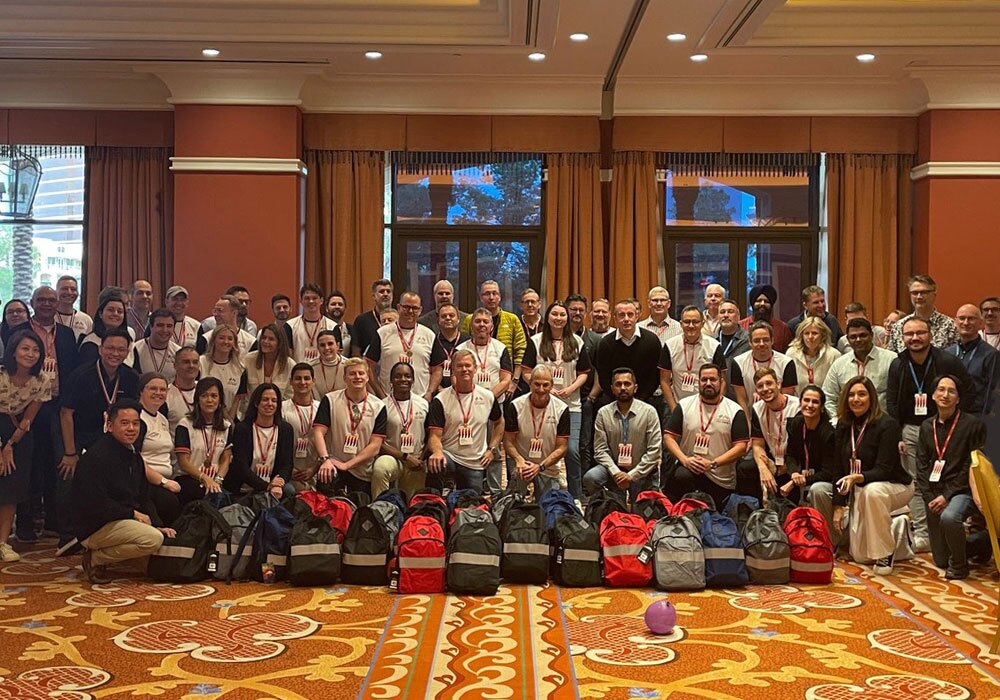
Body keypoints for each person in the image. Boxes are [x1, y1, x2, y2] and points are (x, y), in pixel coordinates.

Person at [810, 376, 914, 575]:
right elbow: (838, 470)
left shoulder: (887, 425)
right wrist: (838, 505)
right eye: (851, 395)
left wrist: (857, 478)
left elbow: (884, 469)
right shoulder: (843, 424)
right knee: (860, 556)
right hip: (859, 487)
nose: (856, 399)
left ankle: (885, 553)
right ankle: (897, 528)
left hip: (894, 486)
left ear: (872, 397)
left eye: (862, 394)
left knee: (872, 491)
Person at [887, 316, 971, 552]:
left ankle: (950, 531)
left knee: (947, 479)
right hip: (912, 431)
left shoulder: (947, 361)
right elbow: (892, 403)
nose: (915, 338)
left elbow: (967, 393)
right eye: (909, 334)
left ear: (930, 335)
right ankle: (924, 534)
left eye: (920, 333)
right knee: (917, 482)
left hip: (946, 429)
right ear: (902, 338)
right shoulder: (898, 364)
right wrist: (898, 436)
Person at [72, 399, 176, 584]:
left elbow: (144, 496)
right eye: (125, 423)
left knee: (158, 564)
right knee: (152, 540)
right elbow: (95, 504)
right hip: (95, 526)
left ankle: (108, 557)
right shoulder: (96, 457)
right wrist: (133, 514)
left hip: (123, 521)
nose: (131, 428)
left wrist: (158, 523)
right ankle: (95, 559)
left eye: (135, 423)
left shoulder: (132, 454)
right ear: (110, 426)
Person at [59, 329, 141, 548]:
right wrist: (70, 452)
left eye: (121, 349)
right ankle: (70, 535)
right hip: (81, 436)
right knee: (72, 480)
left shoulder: (131, 377)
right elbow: (66, 413)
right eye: (110, 348)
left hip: (114, 438)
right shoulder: (81, 374)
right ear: (100, 349)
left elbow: (133, 414)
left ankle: (108, 530)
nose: (115, 353)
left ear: (128, 351)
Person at [15, 286, 78, 543]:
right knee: (28, 463)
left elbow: (72, 370)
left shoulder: (66, 334)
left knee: (56, 462)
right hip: (27, 406)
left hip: (57, 406)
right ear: (32, 303)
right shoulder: (21, 333)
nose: (47, 304)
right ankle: (26, 522)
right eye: (41, 300)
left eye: (51, 300)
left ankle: (54, 519)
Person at [915, 374, 985, 579]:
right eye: (941, 390)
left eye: (951, 391)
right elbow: (921, 465)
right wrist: (930, 497)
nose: (945, 395)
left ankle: (960, 567)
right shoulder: (927, 426)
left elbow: (971, 466)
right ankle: (983, 542)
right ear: (933, 395)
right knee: (941, 560)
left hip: (962, 491)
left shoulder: (972, 424)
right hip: (935, 493)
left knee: (950, 516)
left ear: (958, 398)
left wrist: (946, 496)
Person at [520, 301, 591, 498]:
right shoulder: (535, 341)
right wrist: (544, 389)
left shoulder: (577, 342)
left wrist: (570, 389)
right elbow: (526, 372)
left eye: (562, 315)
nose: (558, 318)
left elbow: (584, 373)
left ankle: (576, 497)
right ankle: (528, 494)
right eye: (554, 314)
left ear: (567, 318)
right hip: (542, 404)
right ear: (548, 317)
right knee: (537, 448)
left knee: (572, 451)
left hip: (570, 405)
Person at [662, 363, 751, 505]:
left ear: (721, 382)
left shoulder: (735, 410)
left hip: (720, 476)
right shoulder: (684, 405)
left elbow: (741, 447)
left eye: (713, 379)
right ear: (698, 382)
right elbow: (668, 437)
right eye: (704, 380)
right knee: (680, 477)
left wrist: (713, 464)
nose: (708, 383)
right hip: (689, 469)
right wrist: (685, 460)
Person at [0, 331, 51, 561]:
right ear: (13, 351)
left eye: (36, 350)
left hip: (19, 434)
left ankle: (2, 543)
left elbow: (28, 418)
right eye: (25, 348)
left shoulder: (41, 380)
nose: (30, 354)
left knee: (12, 488)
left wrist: (10, 445)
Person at [425, 350, 503, 496]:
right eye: (459, 366)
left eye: (468, 365)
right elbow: (434, 436)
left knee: (471, 503)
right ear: (452, 370)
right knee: (436, 462)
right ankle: (434, 503)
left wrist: (492, 449)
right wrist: (437, 452)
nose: (464, 369)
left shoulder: (488, 397)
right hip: (449, 456)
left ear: (475, 368)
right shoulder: (440, 400)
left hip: (475, 462)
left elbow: (499, 422)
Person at [312, 358, 388, 498]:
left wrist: (348, 465)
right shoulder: (330, 400)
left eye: (361, 373)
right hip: (333, 466)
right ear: (344, 378)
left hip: (362, 471)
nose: (357, 377)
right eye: (352, 374)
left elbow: (375, 445)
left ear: (367, 377)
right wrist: (325, 459)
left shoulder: (379, 406)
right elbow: (318, 432)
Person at [585, 367, 662, 501]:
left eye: (627, 384)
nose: (623, 388)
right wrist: (616, 472)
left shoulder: (649, 412)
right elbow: (600, 450)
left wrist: (632, 475)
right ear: (612, 388)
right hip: (614, 470)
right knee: (591, 477)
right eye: (618, 384)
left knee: (641, 513)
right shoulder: (603, 413)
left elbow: (655, 451)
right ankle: (608, 503)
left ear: (635, 387)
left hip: (641, 470)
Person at [504, 365, 570, 495]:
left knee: (549, 507)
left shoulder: (561, 409)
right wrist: (519, 460)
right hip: (522, 466)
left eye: (545, 385)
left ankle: (557, 482)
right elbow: (508, 441)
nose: (541, 389)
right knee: (512, 506)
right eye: (537, 384)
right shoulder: (516, 406)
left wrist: (540, 467)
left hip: (547, 466)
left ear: (551, 386)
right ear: (530, 383)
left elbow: (562, 448)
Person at [590, 299, 662, 413]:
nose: (626, 319)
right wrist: (619, 399)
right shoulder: (605, 343)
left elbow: (655, 375)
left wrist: (640, 399)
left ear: (637, 316)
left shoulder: (652, 341)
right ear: (615, 318)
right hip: (613, 402)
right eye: (621, 315)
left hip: (646, 402)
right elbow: (603, 376)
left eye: (630, 314)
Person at [371, 362, 429, 498]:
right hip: (393, 458)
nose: (403, 379)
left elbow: (430, 436)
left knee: (412, 502)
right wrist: (405, 457)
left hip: (417, 459)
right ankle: (379, 508)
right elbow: (378, 443)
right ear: (391, 381)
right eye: (398, 376)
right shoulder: (382, 406)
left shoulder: (423, 404)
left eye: (407, 376)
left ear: (413, 380)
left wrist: (421, 457)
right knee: (380, 468)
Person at [225, 383, 294, 498]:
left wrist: (278, 483)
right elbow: (240, 466)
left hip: (273, 482)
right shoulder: (242, 428)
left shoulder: (286, 429)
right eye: (265, 400)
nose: (270, 404)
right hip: (245, 484)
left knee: (289, 490)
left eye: (274, 400)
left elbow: (287, 464)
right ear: (256, 403)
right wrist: (266, 486)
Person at [822, 318, 895, 425]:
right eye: (853, 337)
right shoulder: (839, 365)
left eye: (863, 335)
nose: (858, 339)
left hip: (881, 426)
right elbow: (828, 397)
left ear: (871, 335)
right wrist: (837, 422)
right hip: (849, 427)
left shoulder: (891, 360)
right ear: (847, 339)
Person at [461, 280, 527, 398]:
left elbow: (521, 352)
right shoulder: (470, 319)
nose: (491, 297)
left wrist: (514, 381)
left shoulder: (512, 319)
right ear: (481, 297)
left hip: (505, 381)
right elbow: (463, 348)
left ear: (499, 297)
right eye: (487, 294)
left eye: (494, 293)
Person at [782, 385, 839, 520]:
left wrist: (797, 481)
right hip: (802, 475)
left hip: (825, 482)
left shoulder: (829, 433)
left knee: (816, 489)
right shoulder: (796, 424)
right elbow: (790, 454)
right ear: (800, 403)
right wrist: (794, 473)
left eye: (815, 402)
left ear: (822, 407)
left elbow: (828, 472)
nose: (810, 405)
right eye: (806, 400)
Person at [173, 377, 233, 506]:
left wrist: (218, 480)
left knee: (225, 497)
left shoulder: (226, 426)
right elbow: (183, 462)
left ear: (220, 400)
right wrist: (205, 479)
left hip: (216, 480)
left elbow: (225, 459)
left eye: (214, 396)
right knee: (205, 495)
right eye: (204, 396)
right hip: (190, 478)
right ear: (197, 400)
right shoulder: (185, 425)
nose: (209, 400)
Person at [366, 290, 435, 400]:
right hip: (389, 399)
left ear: (420, 310)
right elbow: (368, 365)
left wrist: (430, 392)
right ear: (398, 307)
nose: (410, 311)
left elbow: (437, 369)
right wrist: (381, 395)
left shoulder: (429, 335)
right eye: (406, 307)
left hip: (420, 399)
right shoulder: (382, 333)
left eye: (415, 308)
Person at [658, 306, 726, 411]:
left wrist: (717, 406)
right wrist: (674, 409)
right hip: (677, 405)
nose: (691, 326)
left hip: (707, 406)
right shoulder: (670, 345)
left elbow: (722, 380)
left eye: (695, 322)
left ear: (703, 324)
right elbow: (664, 381)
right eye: (687, 322)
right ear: (681, 324)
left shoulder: (714, 346)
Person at [135, 372, 181, 525]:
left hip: (166, 479)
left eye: (163, 390)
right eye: (153, 388)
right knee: (169, 502)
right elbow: (135, 459)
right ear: (141, 391)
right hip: (144, 481)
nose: (158, 393)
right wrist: (163, 481)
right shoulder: (137, 419)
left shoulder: (162, 418)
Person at [749, 368, 802, 501]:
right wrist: (763, 469)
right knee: (745, 468)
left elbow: (801, 449)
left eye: (769, 383)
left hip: (795, 464)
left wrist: (781, 469)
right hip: (772, 462)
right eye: (760, 386)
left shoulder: (797, 407)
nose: (765, 389)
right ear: (756, 391)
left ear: (778, 384)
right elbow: (757, 445)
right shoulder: (757, 408)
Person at [729, 321, 797, 414]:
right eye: (757, 340)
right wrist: (747, 424)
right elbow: (742, 400)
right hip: (751, 415)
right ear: (750, 342)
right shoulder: (738, 363)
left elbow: (787, 399)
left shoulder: (786, 363)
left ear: (772, 340)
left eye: (765, 340)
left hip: (779, 416)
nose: (761, 344)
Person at [946, 304, 999, 416]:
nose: (966, 323)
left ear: (981, 323)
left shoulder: (991, 355)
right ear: (955, 322)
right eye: (962, 318)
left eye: (971, 319)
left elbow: (991, 393)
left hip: (976, 417)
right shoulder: (947, 353)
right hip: (949, 414)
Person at [886, 275, 961, 352]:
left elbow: (955, 358)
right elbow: (892, 358)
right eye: (915, 293)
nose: (919, 297)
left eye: (924, 292)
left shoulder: (950, 326)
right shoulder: (898, 326)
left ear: (934, 294)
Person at [457, 308, 514, 400]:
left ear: (491, 326)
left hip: (495, 402)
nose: (482, 324)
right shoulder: (460, 350)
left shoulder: (501, 348)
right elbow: (455, 378)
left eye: (485, 321)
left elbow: (506, 380)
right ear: (471, 326)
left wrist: (488, 398)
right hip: (467, 401)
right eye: (478, 321)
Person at [281, 363, 320, 492]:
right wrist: (287, 469)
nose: (302, 382)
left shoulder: (321, 409)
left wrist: (314, 468)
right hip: (289, 473)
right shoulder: (281, 408)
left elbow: (329, 443)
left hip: (315, 471)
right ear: (291, 382)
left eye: (307, 378)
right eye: (298, 378)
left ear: (313, 381)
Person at [198, 324, 245, 421]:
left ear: (234, 343)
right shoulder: (201, 363)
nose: (226, 342)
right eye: (221, 338)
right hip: (203, 417)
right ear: (214, 340)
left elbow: (238, 398)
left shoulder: (240, 368)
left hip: (230, 418)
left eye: (230, 339)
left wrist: (229, 421)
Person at [285, 283, 338, 363]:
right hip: (298, 372)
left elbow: (337, 354)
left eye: (314, 298)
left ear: (321, 301)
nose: (311, 301)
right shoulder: (290, 326)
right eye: (307, 298)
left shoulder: (333, 326)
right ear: (301, 301)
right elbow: (287, 356)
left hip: (324, 372)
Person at [77, 295, 136, 368]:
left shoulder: (129, 338)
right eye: (111, 310)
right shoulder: (90, 343)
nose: (115, 314)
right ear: (100, 314)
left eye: (120, 311)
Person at [786, 316, 840, 395]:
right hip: (798, 404)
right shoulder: (791, 354)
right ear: (801, 335)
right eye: (806, 333)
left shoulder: (834, 355)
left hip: (824, 405)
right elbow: (788, 388)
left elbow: (836, 389)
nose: (810, 337)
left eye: (815, 333)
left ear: (823, 335)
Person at [242, 323, 294, 403]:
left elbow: (290, 397)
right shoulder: (248, 360)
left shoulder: (290, 365)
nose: (266, 341)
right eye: (264, 338)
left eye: (271, 339)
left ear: (280, 343)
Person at [427, 303, 470, 394]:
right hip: (436, 392)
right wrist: (438, 388)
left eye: (451, 315)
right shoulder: (432, 341)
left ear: (458, 319)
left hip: (462, 392)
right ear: (438, 320)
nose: (448, 318)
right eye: (443, 316)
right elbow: (428, 369)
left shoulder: (468, 341)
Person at [197, 295, 256, 361]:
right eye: (215, 311)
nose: (215, 314)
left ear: (234, 313)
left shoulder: (250, 342)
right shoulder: (206, 339)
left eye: (220, 311)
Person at [739, 284, 792, 352]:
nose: (762, 304)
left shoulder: (782, 328)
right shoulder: (741, 326)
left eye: (766, 301)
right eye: (758, 300)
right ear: (753, 303)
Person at [131, 309, 180, 382]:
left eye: (169, 326)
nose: (164, 330)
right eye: (160, 325)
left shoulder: (178, 352)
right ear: (151, 327)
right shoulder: (135, 349)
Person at [351, 278, 394, 358]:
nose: (385, 294)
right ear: (374, 296)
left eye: (388, 291)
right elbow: (356, 350)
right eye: (381, 291)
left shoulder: (398, 320)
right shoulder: (362, 320)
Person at [166, 347, 199, 435]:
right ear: (175, 365)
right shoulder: (165, 395)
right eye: (186, 362)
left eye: (195, 362)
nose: (191, 366)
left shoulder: (206, 390)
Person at [310, 330, 346, 399]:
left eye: (330, 344)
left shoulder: (348, 366)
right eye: (322, 345)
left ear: (337, 345)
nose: (326, 348)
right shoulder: (311, 367)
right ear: (318, 348)